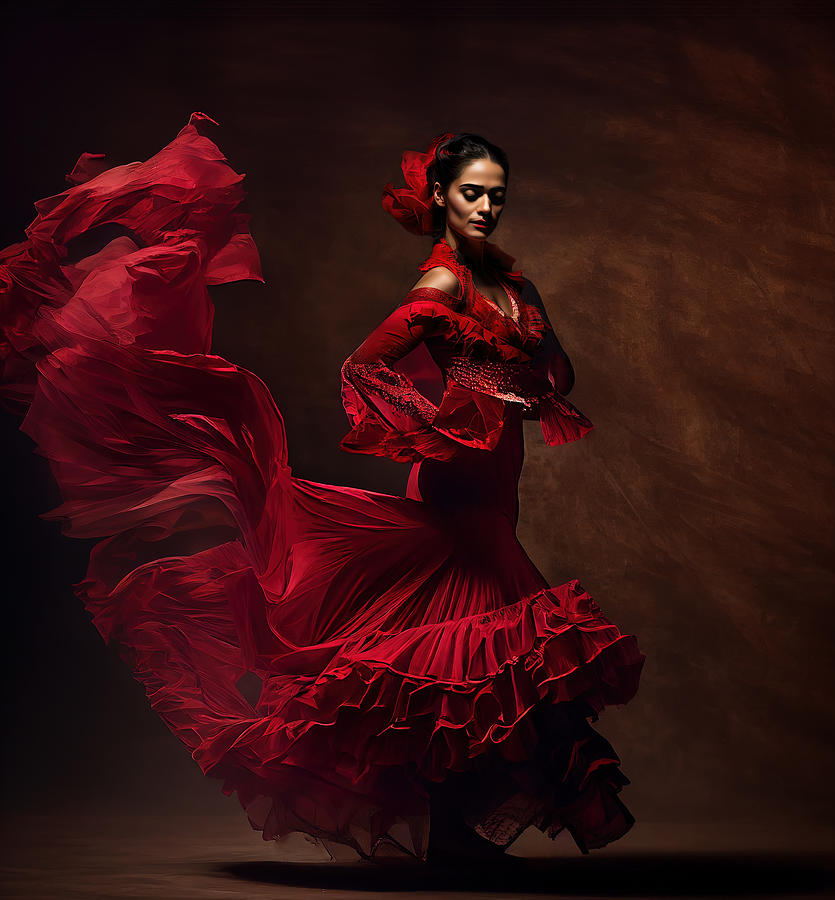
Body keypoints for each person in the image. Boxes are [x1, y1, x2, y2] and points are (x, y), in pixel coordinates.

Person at [0, 113, 645, 864]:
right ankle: (459, 834)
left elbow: (560, 377)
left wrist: (513, 386)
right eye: (471, 193)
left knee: (457, 666)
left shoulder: (515, 281)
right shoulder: (439, 281)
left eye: (496, 195)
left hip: (497, 487)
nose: (486, 208)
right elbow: (364, 368)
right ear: (440, 196)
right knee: (497, 653)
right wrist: (467, 404)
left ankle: (454, 834)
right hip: (456, 488)